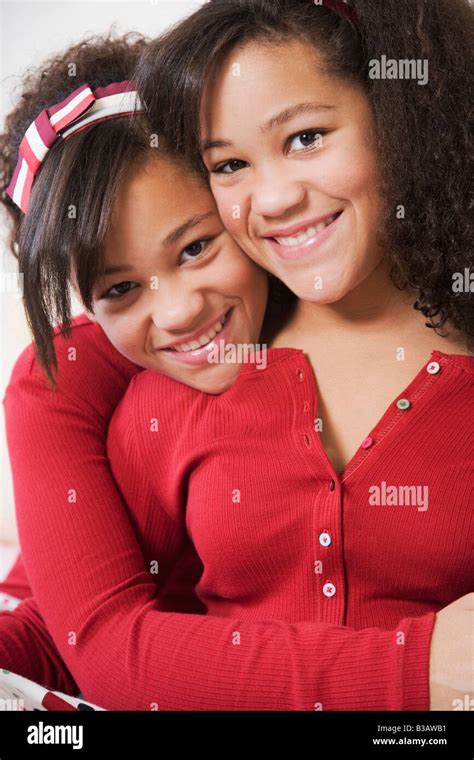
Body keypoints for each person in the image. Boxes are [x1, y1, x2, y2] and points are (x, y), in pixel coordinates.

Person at [0, 4, 472, 710]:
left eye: (195, 247)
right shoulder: (146, 393)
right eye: (120, 287)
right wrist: (411, 668)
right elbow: (80, 633)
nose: (180, 309)